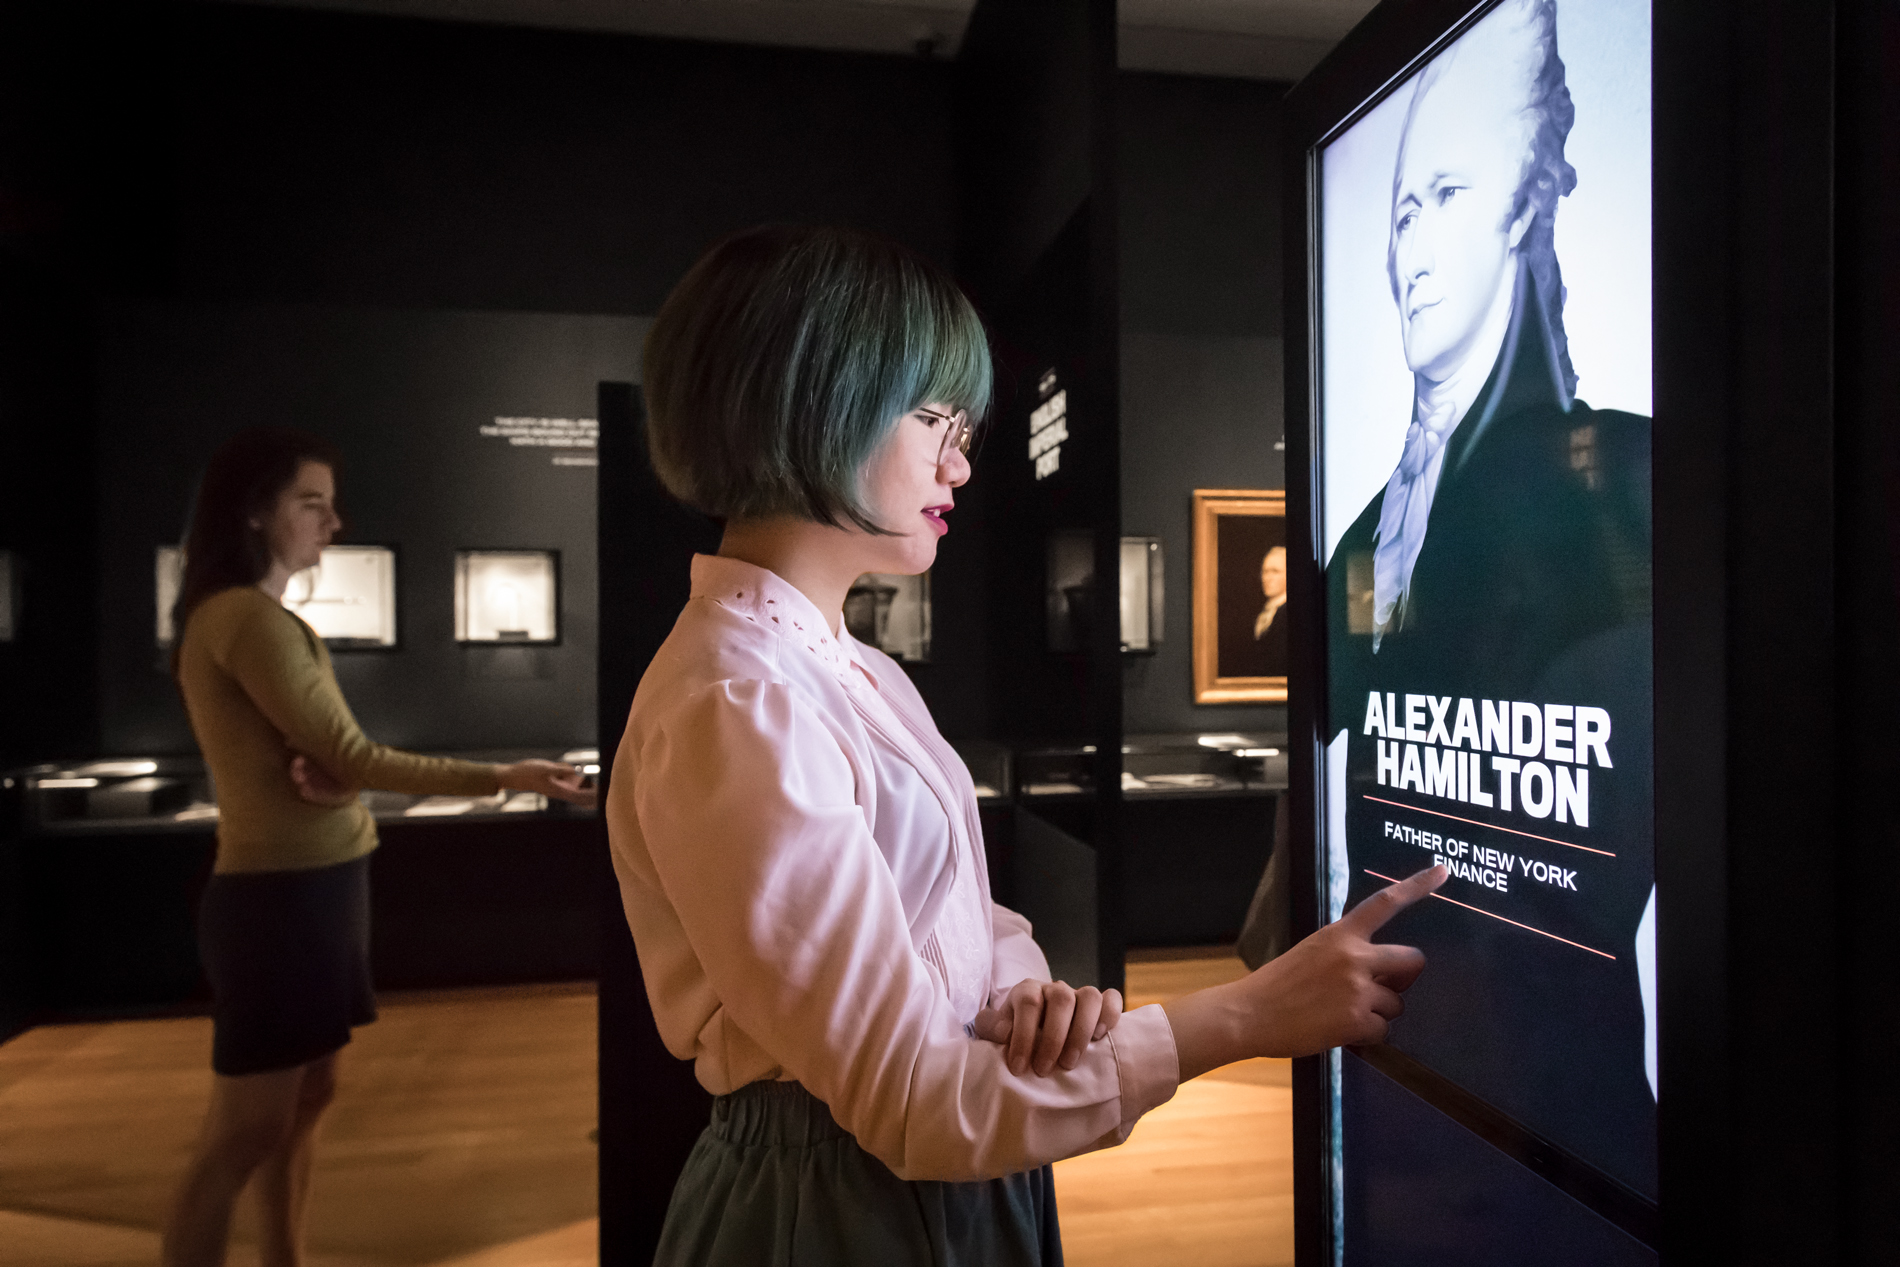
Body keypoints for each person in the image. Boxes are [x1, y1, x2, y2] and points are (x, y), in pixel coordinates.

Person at [606, 223, 1446, 1265]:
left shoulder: (846, 666)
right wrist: (1240, 1015)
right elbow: (911, 1102)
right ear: (812, 404)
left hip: (929, 1176)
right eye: (929, 418)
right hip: (837, 1206)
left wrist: (1016, 994)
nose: (958, 460)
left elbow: (952, 911)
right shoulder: (738, 699)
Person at [1324, 0, 1656, 1194]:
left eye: (1448, 196)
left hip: (1569, 1119)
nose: (1409, 243)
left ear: (1524, 198)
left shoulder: (1627, 477)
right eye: (1400, 209)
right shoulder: (1370, 533)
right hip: (1397, 1083)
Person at [160, 429, 595, 1267]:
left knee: (307, 1097)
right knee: (244, 1130)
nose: (332, 521)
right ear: (254, 513)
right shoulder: (246, 619)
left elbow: (333, 762)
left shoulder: (254, 617)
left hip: (313, 886)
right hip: (279, 897)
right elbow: (352, 754)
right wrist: (511, 773)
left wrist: (340, 777)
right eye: (310, 502)